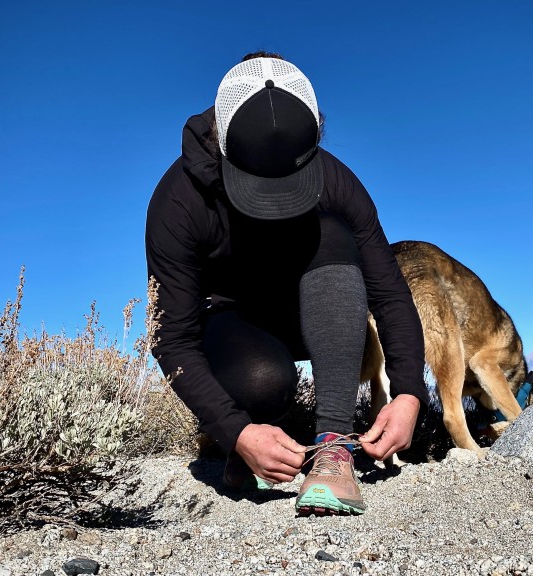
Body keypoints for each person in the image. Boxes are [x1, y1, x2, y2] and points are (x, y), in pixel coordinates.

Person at [145, 52, 429, 515]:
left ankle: (334, 445)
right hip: (233, 322)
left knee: (333, 234)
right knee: (261, 383)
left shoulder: (336, 179)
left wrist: (410, 393)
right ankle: (247, 441)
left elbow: (389, 292)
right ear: (222, 142)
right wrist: (236, 430)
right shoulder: (178, 202)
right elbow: (171, 337)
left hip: (316, 307)